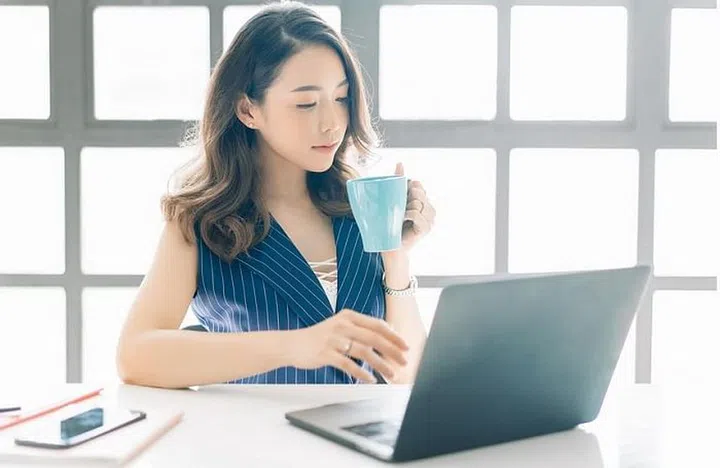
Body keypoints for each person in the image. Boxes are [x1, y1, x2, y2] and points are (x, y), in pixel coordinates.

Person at [116, 1, 435, 389]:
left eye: (341, 98)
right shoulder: (202, 222)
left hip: (359, 446)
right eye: (305, 103)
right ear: (248, 110)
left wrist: (396, 256)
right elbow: (135, 356)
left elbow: (404, 374)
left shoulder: (359, 210)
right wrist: (294, 346)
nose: (331, 122)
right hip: (254, 446)